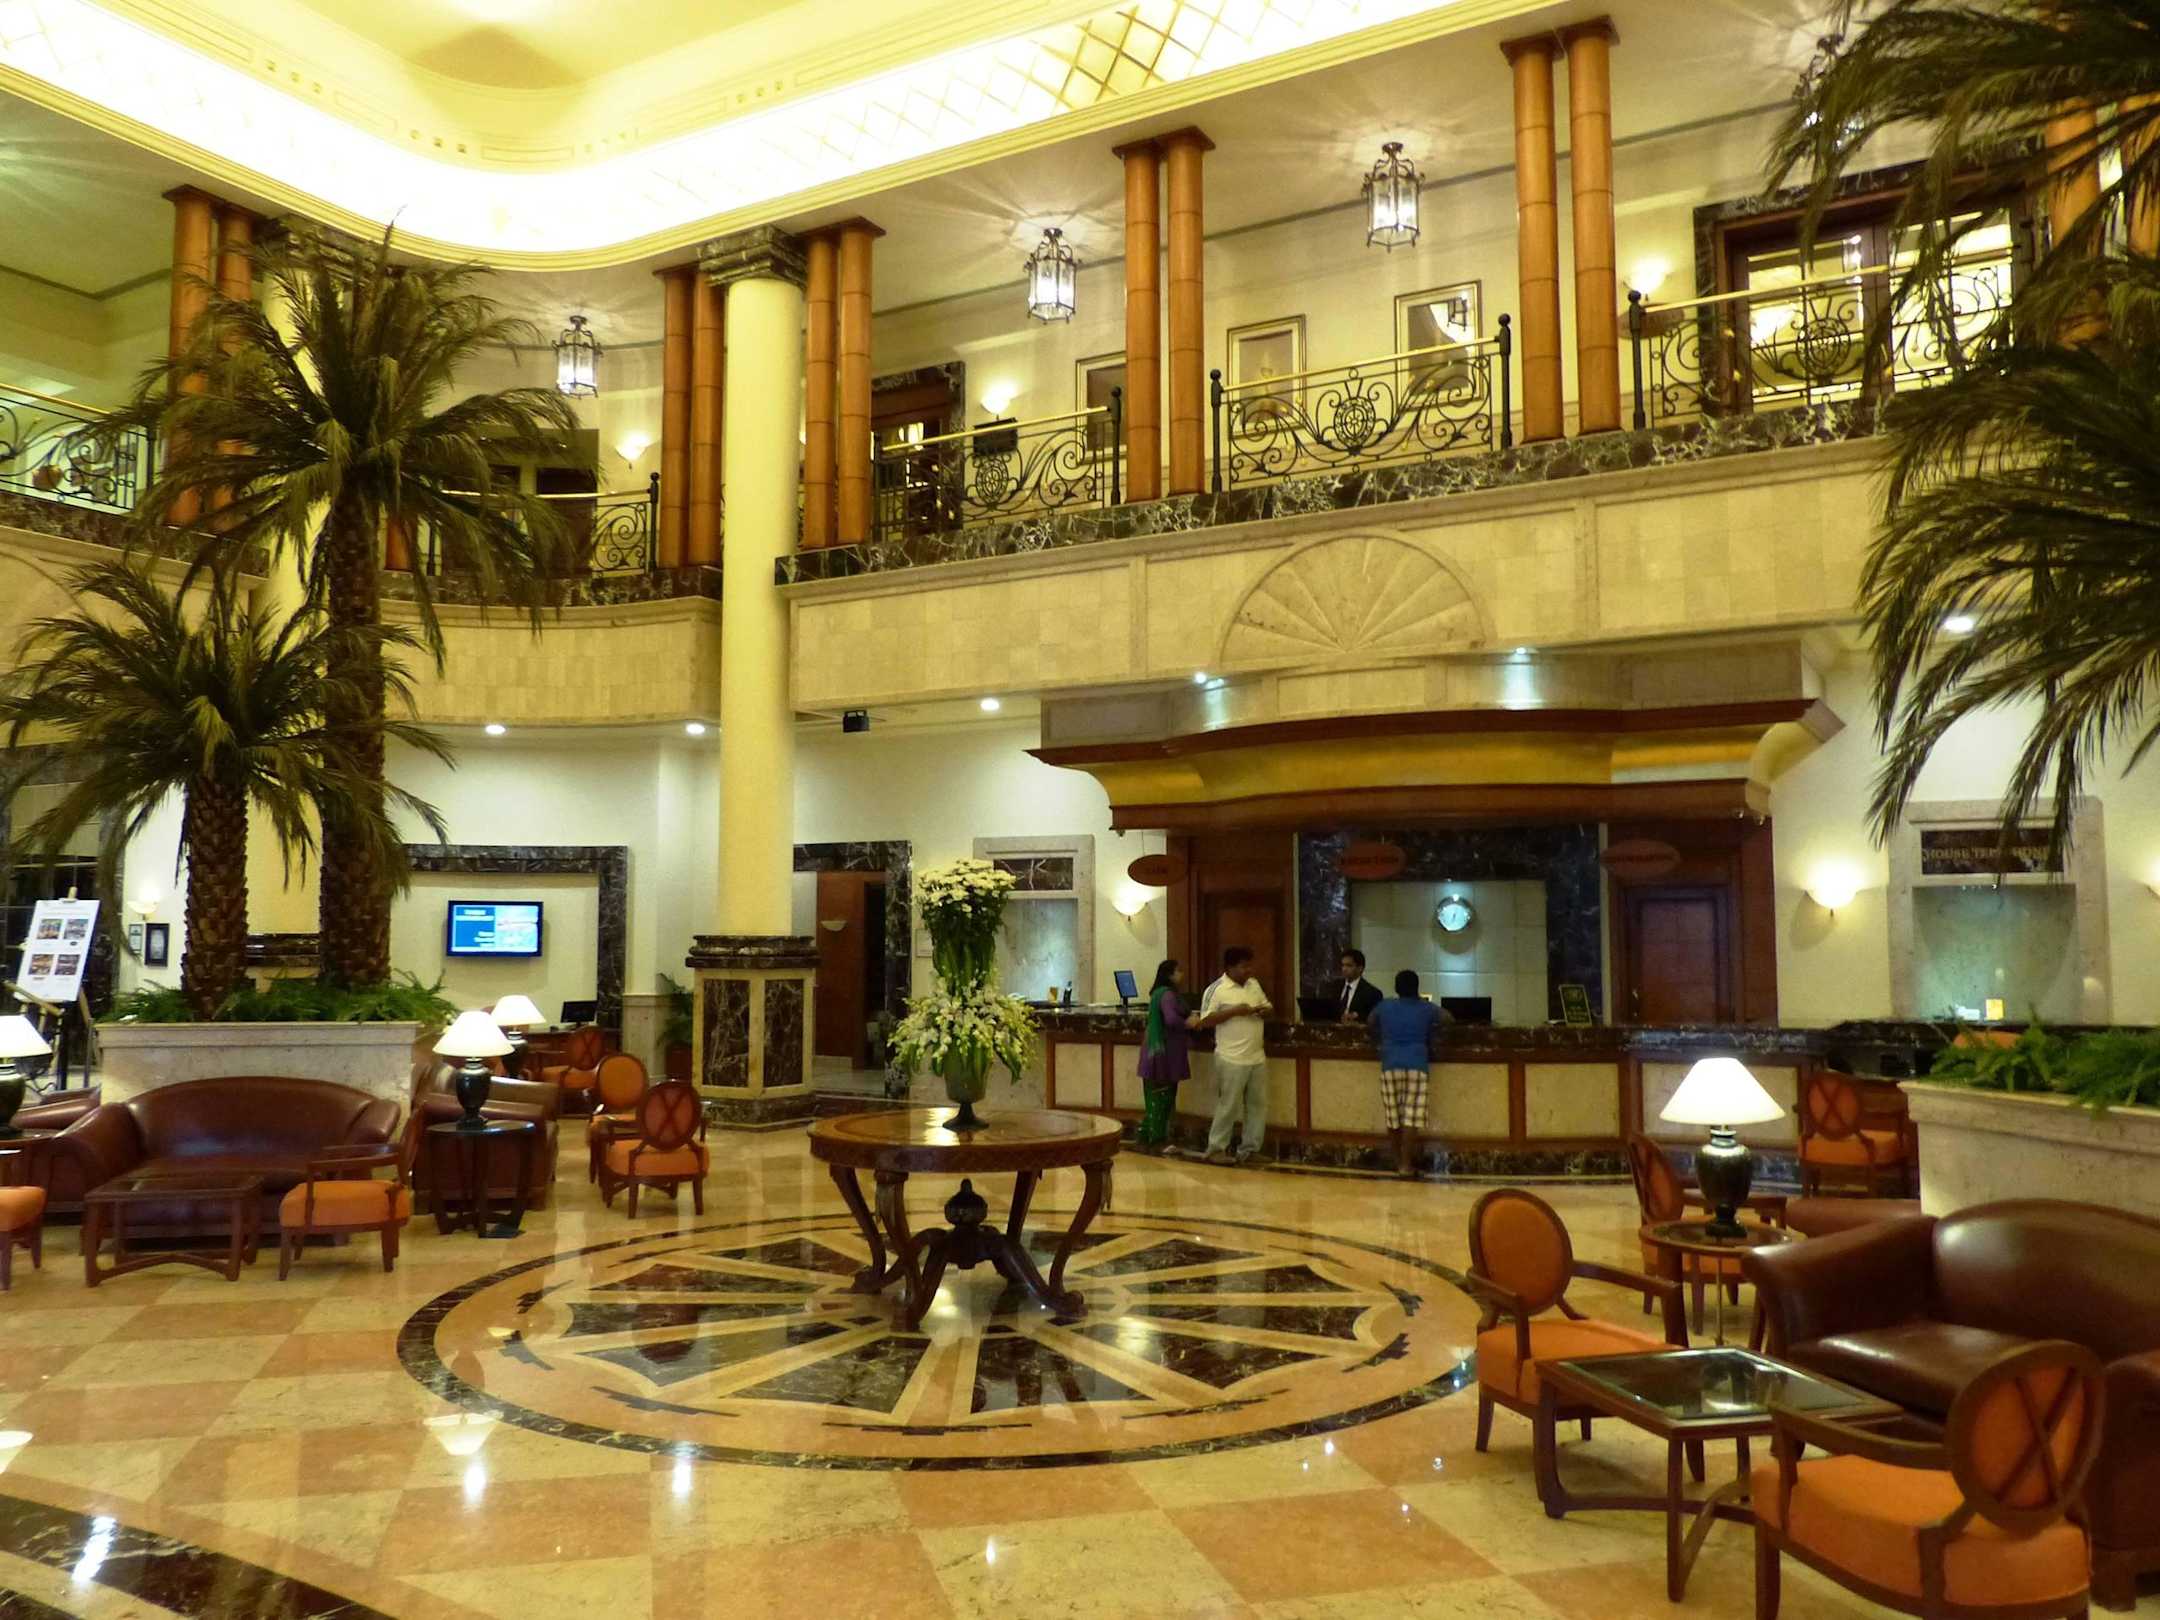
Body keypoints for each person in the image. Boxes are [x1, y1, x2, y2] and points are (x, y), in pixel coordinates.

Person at [1196, 945, 1273, 1165]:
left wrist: (1264, 1011)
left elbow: (1268, 1007)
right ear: (1229, 967)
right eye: (1243, 966)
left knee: (1257, 1105)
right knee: (1228, 1105)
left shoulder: (1254, 984)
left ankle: (1249, 1150)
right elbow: (1205, 1020)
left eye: (1250, 965)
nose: (1249, 970)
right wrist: (1234, 1011)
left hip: (1256, 1056)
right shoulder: (1216, 989)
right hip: (1230, 1057)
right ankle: (1216, 1149)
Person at [1368, 968, 1441, 1179]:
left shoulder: (1385, 1005)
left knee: (1393, 1116)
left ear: (1396, 988)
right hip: (1417, 1064)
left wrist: (1380, 1037)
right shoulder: (1426, 1007)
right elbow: (1449, 1018)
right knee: (1411, 1117)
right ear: (1417, 988)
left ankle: (1397, 1161)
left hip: (1390, 1063)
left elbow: (1370, 1021)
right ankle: (1406, 1166)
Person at [1134, 959, 1190, 1154]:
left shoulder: (1158, 994)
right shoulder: (1167, 995)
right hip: (1163, 1055)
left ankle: (1144, 1137)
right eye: (1178, 971)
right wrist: (1189, 1023)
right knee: (1162, 1097)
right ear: (1169, 975)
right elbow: (1172, 1019)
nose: (1181, 974)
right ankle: (1157, 1140)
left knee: (1155, 1098)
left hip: (1156, 1052)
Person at [1336, 948, 1384, 1022]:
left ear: (1360, 968)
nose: (1344, 969)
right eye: (1343, 965)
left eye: (1349, 965)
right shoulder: (1333, 987)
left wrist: (1356, 1016)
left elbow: (1374, 1018)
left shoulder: (1372, 993)